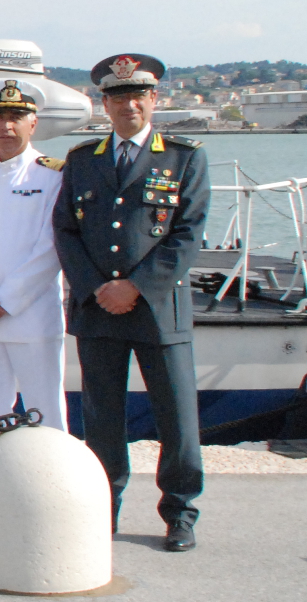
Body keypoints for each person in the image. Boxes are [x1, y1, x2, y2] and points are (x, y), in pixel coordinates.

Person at [53, 53, 210, 551]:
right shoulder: (83, 161)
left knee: (177, 418)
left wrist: (136, 286)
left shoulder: (183, 158)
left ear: (154, 100)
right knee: (102, 418)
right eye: (118, 97)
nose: (129, 106)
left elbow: (187, 236)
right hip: (97, 308)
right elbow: (66, 230)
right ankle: (103, 508)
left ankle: (180, 511)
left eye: (138, 96)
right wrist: (96, 287)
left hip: (159, 311)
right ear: (105, 103)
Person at [0, 80, 69, 432]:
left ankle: (52, 486)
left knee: (44, 409)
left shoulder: (52, 174)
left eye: (16, 117)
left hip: (31, 316)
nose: (7, 125)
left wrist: (5, 301)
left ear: (33, 123)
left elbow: (52, 246)